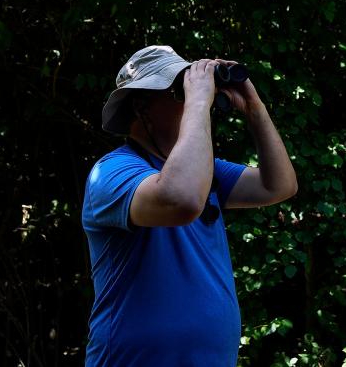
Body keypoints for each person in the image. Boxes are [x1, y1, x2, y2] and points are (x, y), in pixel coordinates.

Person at [82, 45, 297, 366]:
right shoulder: (113, 172)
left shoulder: (204, 172)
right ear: (142, 106)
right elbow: (180, 199)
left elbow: (278, 185)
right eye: (178, 92)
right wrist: (198, 99)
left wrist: (255, 109)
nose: (197, 100)